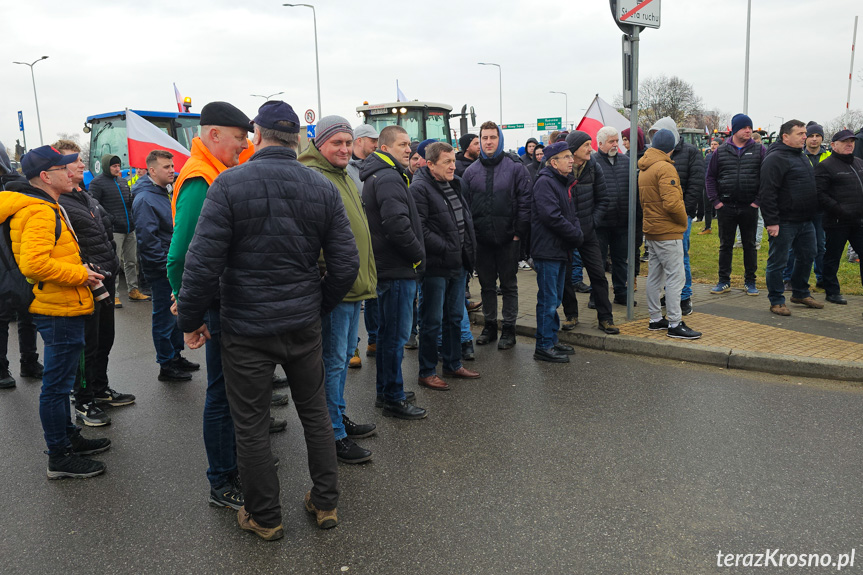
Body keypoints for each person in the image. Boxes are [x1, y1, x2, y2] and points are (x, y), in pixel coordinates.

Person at [178, 100, 359, 540]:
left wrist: (189, 319)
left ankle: (265, 516)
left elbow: (201, 263)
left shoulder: (229, 185)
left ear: (257, 135)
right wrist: (317, 305)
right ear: (297, 138)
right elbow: (346, 262)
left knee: (252, 424)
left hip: (245, 328)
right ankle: (325, 501)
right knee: (315, 414)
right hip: (301, 323)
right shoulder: (320, 187)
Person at [168, 101, 286, 513]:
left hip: (224, 300)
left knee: (235, 392)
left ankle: (238, 463)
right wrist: (191, 314)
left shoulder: (219, 171)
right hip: (216, 305)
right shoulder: (202, 179)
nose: (244, 146)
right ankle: (222, 479)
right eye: (239, 138)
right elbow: (182, 256)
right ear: (214, 134)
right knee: (221, 394)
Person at [0, 145, 110, 478]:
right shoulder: (39, 210)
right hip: (56, 306)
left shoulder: (47, 204)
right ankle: (59, 456)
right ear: (47, 176)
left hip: (59, 303)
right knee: (57, 385)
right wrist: (81, 274)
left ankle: (67, 438)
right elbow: (34, 263)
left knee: (60, 381)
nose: (73, 170)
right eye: (65, 166)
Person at [298, 115, 378, 464]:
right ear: (320, 144)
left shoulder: (342, 174)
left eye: (348, 142)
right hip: (336, 287)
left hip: (352, 284)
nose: (345, 149)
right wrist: (327, 276)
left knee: (342, 359)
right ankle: (332, 435)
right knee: (332, 363)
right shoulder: (314, 177)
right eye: (337, 143)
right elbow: (310, 237)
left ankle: (337, 418)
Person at [54, 140, 133, 427]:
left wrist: (110, 264)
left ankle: (100, 390)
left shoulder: (84, 196)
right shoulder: (57, 203)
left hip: (106, 279)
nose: (81, 164)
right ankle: (83, 399)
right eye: (74, 160)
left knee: (104, 339)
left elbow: (104, 233)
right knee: (86, 346)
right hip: (84, 283)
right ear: (56, 168)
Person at [360, 125, 428, 419]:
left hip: (388, 267)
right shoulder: (388, 176)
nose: (408, 149)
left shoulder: (383, 173)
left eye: (409, 143)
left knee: (388, 335)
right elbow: (397, 224)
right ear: (384, 148)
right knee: (396, 338)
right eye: (402, 144)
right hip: (397, 269)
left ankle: (386, 390)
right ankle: (394, 399)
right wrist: (418, 255)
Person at [411, 142, 479, 390]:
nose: (453, 165)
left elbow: (464, 218)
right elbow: (421, 229)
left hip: (458, 263)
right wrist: (448, 246)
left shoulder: (455, 182)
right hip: (436, 266)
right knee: (431, 320)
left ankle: (452, 364)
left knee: (454, 316)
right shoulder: (420, 189)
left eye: (453, 160)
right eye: (447, 162)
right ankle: (427, 371)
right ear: (430, 164)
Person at [131, 150, 200, 382]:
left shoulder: (163, 192)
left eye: (172, 165)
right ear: (152, 170)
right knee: (163, 316)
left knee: (175, 314)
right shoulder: (144, 198)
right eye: (166, 167)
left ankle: (176, 355)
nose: (172, 170)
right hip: (162, 270)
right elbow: (148, 241)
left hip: (172, 267)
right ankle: (166, 363)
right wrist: (167, 269)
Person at [462, 121, 531, 350]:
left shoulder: (515, 168)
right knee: (486, 286)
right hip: (482, 241)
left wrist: (518, 233)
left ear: (500, 139)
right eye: (484, 138)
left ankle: (509, 329)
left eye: (493, 137)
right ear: (480, 141)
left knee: (509, 285)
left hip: (508, 240)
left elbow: (525, 203)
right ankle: (490, 326)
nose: (488, 142)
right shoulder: (471, 172)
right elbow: (466, 208)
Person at [638, 130, 702, 339]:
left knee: (655, 276)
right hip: (668, 231)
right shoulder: (665, 168)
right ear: (671, 147)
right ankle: (675, 323)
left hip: (652, 230)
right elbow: (673, 203)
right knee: (676, 277)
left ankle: (655, 319)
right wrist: (683, 221)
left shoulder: (645, 167)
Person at [760, 120, 823, 316]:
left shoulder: (801, 156)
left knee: (808, 255)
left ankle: (800, 292)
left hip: (805, 220)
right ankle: (777, 300)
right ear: (785, 136)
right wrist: (772, 221)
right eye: (801, 133)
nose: (805, 136)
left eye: (805, 133)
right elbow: (767, 192)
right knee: (778, 262)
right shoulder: (775, 158)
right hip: (784, 221)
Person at [530, 141, 583, 363]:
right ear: (553, 162)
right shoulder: (545, 183)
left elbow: (571, 214)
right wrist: (575, 234)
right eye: (567, 157)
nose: (572, 160)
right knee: (548, 300)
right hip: (547, 250)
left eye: (571, 156)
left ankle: (551, 340)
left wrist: (577, 231)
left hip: (559, 249)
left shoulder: (562, 182)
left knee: (555, 299)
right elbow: (551, 216)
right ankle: (543, 345)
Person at [563, 131, 619, 334]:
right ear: (574, 150)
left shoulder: (594, 166)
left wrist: (592, 223)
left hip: (588, 232)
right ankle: (571, 315)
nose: (591, 149)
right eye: (586, 145)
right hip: (566, 234)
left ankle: (606, 318)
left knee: (598, 275)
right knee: (566, 277)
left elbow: (603, 199)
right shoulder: (560, 168)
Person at [704, 113, 765, 297]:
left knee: (750, 245)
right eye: (745, 127)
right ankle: (723, 281)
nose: (748, 131)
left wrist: (757, 202)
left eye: (750, 128)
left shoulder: (759, 151)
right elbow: (710, 177)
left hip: (749, 207)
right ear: (735, 129)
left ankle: (750, 281)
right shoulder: (721, 151)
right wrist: (716, 201)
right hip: (726, 207)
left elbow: (766, 178)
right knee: (725, 245)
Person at [648, 117, 704, 315]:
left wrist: (685, 213)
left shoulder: (690, 153)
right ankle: (671, 296)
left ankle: (684, 296)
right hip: (661, 218)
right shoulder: (655, 157)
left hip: (680, 216)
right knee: (663, 263)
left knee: (682, 257)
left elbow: (696, 184)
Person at [0, 141, 42, 390]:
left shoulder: (18, 185)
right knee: (2, 318)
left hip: (20, 255)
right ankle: (2, 368)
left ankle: (29, 362)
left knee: (29, 312)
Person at [89, 154, 150, 306]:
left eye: (118, 166)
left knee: (131, 261)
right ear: (106, 167)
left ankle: (133, 290)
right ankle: (114, 294)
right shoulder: (97, 183)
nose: (117, 169)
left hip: (130, 227)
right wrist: (110, 219)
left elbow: (129, 203)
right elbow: (94, 205)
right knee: (115, 263)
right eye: (114, 166)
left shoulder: (123, 182)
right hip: (113, 230)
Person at [815, 130, 863, 306]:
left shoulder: (859, 163)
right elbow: (820, 194)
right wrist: (839, 210)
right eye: (845, 141)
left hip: (858, 221)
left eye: (852, 141)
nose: (849, 144)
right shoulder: (825, 166)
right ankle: (832, 291)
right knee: (833, 257)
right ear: (834, 145)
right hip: (836, 221)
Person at [782, 122, 831, 290]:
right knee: (793, 247)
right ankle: (789, 277)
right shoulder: (798, 156)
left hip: (820, 209)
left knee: (819, 244)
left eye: (818, 136)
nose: (814, 139)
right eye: (810, 136)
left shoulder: (829, 157)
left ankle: (821, 277)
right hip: (799, 208)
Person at [347, 123, 379, 365]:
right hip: (351, 239)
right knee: (354, 295)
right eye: (372, 140)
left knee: (373, 292)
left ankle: (374, 339)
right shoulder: (345, 169)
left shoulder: (376, 166)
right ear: (359, 141)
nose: (376, 145)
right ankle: (352, 347)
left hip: (374, 239)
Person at [593, 126, 635, 305]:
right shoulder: (592, 163)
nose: (616, 144)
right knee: (598, 263)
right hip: (600, 224)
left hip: (621, 221)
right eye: (611, 141)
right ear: (600, 143)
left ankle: (621, 293)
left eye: (617, 141)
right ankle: (597, 297)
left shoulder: (626, 161)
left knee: (620, 261)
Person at [700, 138, 721, 234]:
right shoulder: (708, 156)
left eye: (715, 144)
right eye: (712, 144)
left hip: (718, 185)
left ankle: (723, 228)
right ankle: (707, 227)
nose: (713, 146)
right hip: (707, 184)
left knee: (720, 208)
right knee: (707, 207)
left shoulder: (722, 156)